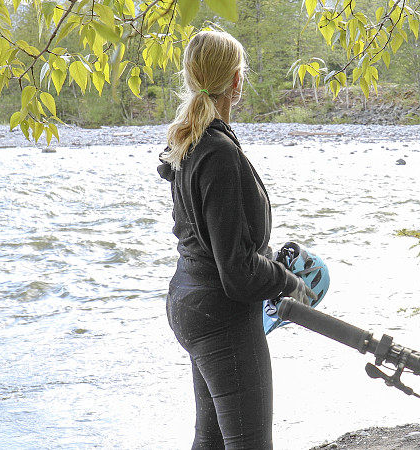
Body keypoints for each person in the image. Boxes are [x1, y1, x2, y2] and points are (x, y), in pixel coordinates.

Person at [156, 30, 315, 450]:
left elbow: (217, 241)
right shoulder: (218, 152)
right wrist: (288, 281)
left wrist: (267, 259)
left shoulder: (189, 142)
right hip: (221, 316)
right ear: (237, 81)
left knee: (210, 441)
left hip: (189, 305)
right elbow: (237, 273)